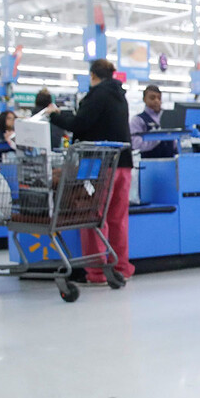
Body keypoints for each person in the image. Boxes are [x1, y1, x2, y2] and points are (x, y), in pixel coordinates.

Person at [42, 58, 134, 284]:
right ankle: (121, 267)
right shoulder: (120, 96)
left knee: (93, 217)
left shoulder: (97, 95)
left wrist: (55, 114)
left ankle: (97, 272)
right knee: (118, 219)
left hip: (99, 166)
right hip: (123, 163)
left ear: (93, 76)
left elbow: (80, 124)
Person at [129, 84, 177, 159]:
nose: (156, 101)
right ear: (144, 99)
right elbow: (135, 143)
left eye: (159, 98)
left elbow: (175, 142)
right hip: (149, 163)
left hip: (170, 162)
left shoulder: (169, 118)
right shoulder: (138, 120)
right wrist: (158, 138)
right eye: (152, 98)